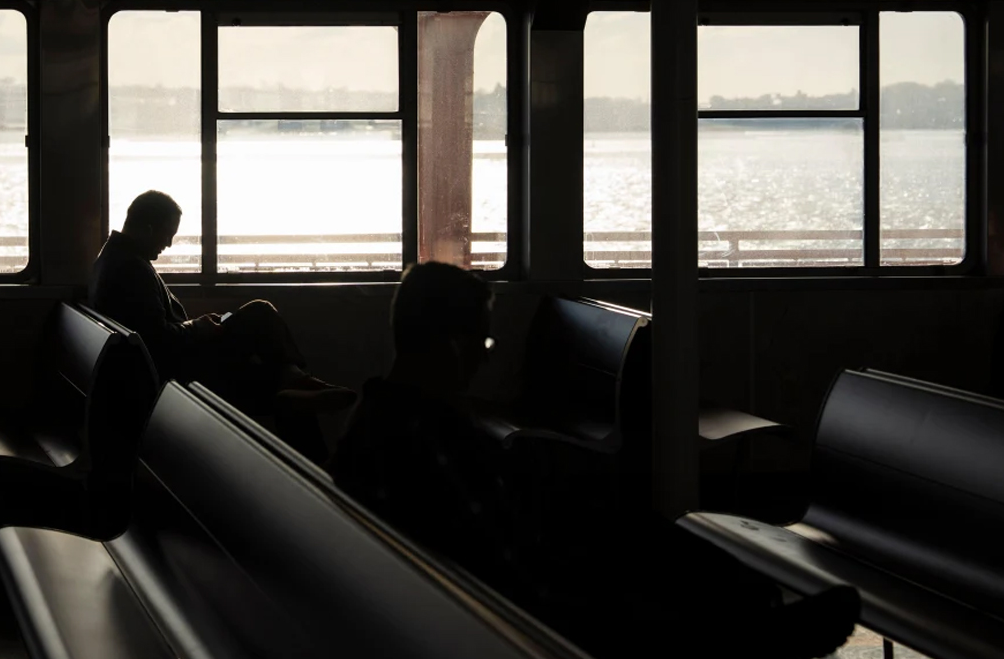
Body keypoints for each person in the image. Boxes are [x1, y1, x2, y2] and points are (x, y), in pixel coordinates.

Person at [330, 262, 858, 659]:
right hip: (516, 612)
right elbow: (511, 566)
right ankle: (761, 632)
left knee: (633, 529)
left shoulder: (379, 419)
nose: (485, 358)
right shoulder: (430, 437)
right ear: (452, 346)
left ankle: (759, 622)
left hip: (467, 588)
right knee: (648, 559)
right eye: (483, 342)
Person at [90, 191, 357, 420]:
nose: (168, 244)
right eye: (167, 235)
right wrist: (197, 327)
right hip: (178, 366)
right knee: (259, 313)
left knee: (256, 340)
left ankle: (290, 385)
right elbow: (158, 339)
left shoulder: (112, 259)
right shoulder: (132, 269)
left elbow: (150, 331)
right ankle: (292, 383)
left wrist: (196, 325)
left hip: (165, 361)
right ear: (148, 229)